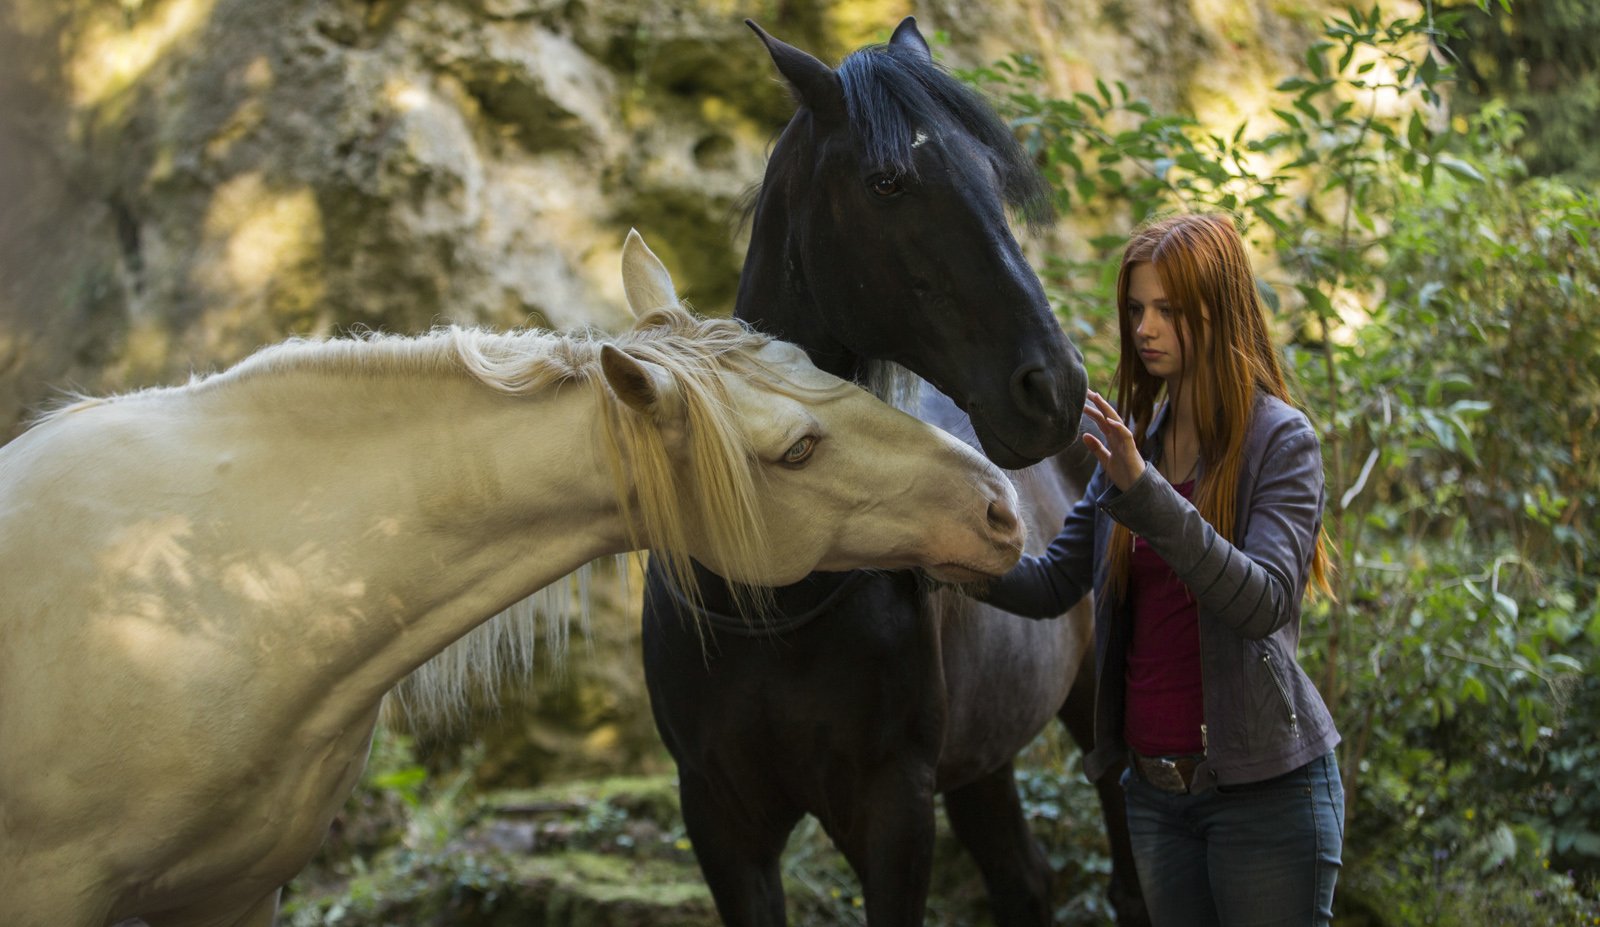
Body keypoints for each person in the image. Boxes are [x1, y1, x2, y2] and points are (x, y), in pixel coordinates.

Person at [978, 213, 1344, 926]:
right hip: (1153, 799)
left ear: (1221, 310)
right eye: (1136, 309)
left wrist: (1143, 492)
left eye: (1168, 310)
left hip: (1265, 798)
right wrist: (943, 556)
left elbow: (1263, 601)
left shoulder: (1281, 441)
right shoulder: (1134, 444)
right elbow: (1053, 581)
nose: (1144, 328)